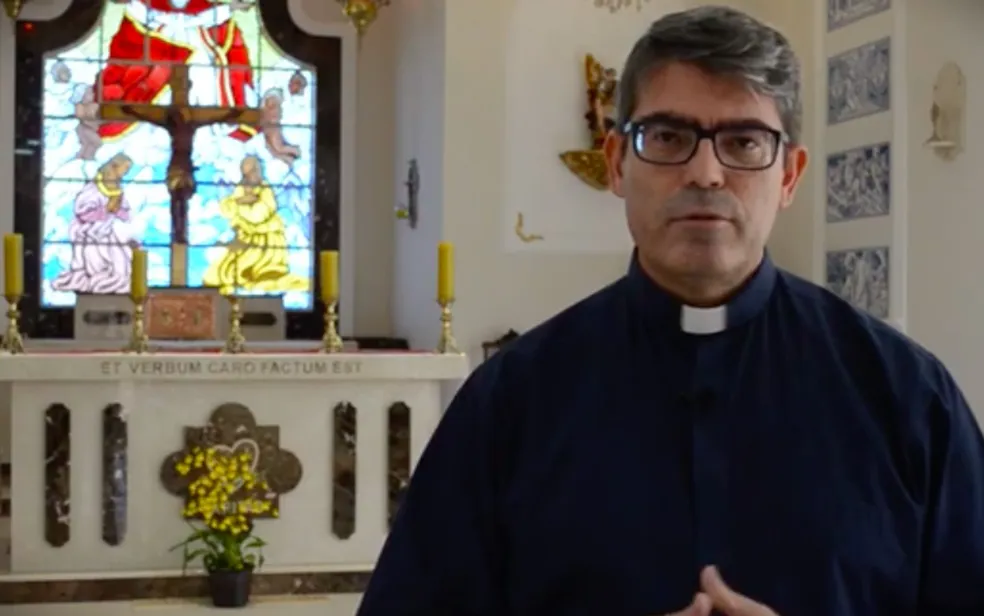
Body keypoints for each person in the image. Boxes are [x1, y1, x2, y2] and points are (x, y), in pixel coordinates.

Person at [356, 6, 984, 616]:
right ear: (615, 163)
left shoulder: (908, 398)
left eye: (744, 141)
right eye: (668, 137)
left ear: (790, 175)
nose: (706, 173)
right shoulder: (510, 403)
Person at [97, 0, 259, 143]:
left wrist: (228, 8)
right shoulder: (147, 6)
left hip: (198, 46)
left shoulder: (207, 8)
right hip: (159, 43)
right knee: (160, 79)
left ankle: (206, 135)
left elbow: (210, 17)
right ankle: (151, 135)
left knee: (203, 72)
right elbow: (139, 17)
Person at [202, 156, 307, 294]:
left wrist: (241, 205)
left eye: (256, 170)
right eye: (250, 172)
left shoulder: (265, 190)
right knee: (220, 273)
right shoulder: (241, 189)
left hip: (268, 245)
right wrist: (243, 202)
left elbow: (259, 215)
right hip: (245, 242)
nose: (255, 175)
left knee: (261, 276)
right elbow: (226, 209)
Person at [52, 153, 137, 295]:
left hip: (109, 228)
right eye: (125, 168)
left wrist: (117, 210)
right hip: (88, 230)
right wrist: (106, 210)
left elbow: (125, 214)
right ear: (115, 166)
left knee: (122, 241)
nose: (126, 173)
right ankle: (100, 277)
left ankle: (118, 277)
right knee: (103, 244)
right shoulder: (93, 188)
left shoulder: (117, 189)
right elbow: (82, 212)